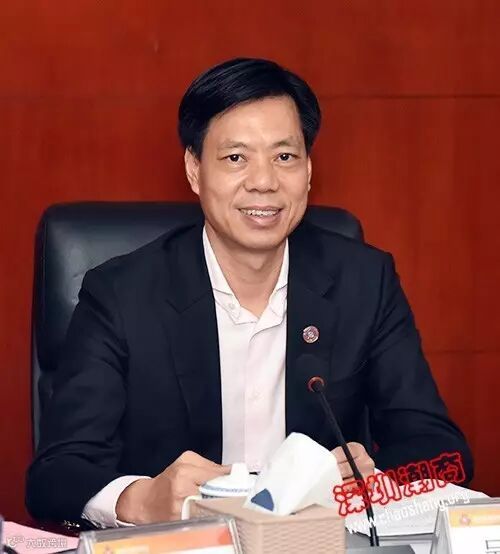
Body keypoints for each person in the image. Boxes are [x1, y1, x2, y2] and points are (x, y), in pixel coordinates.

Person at [26, 57, 473, 527]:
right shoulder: (121, 295)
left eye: (285, 157)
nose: (264, 182)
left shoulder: (364, 281)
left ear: (308, 170)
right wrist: (141, 500)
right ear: (194, 169)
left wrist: (373, 481)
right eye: (236, 158)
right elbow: (55, 475)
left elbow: (446, 456)